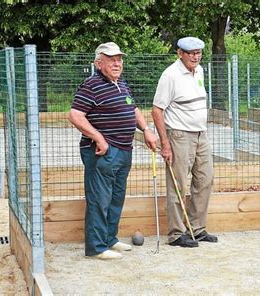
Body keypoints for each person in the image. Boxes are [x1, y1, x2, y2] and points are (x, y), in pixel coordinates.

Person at [68, 42, 158, 260]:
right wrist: (98, 138)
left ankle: (110, 239)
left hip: (124, 149)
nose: (117, 63)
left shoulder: (121, 84)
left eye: (119, 59)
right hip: (103, 152)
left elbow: (133, 109)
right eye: (111, 59)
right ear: (99, 63)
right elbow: (75, 115)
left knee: (116, 197)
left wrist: (146, 129)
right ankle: (96, 247)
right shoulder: (91, 85)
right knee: (100, 198)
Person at [151, 36, 217, 248]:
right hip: (179, 135)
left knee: (205, 179)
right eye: (191, 53)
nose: (195, 56)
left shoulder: (200, 71)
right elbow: (157, 110)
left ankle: (197, 228)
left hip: (201, 134)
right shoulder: (170, 75)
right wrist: (165, 143)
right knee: (178, 184)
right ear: (180, 53)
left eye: (198, 52)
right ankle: (177, 233)